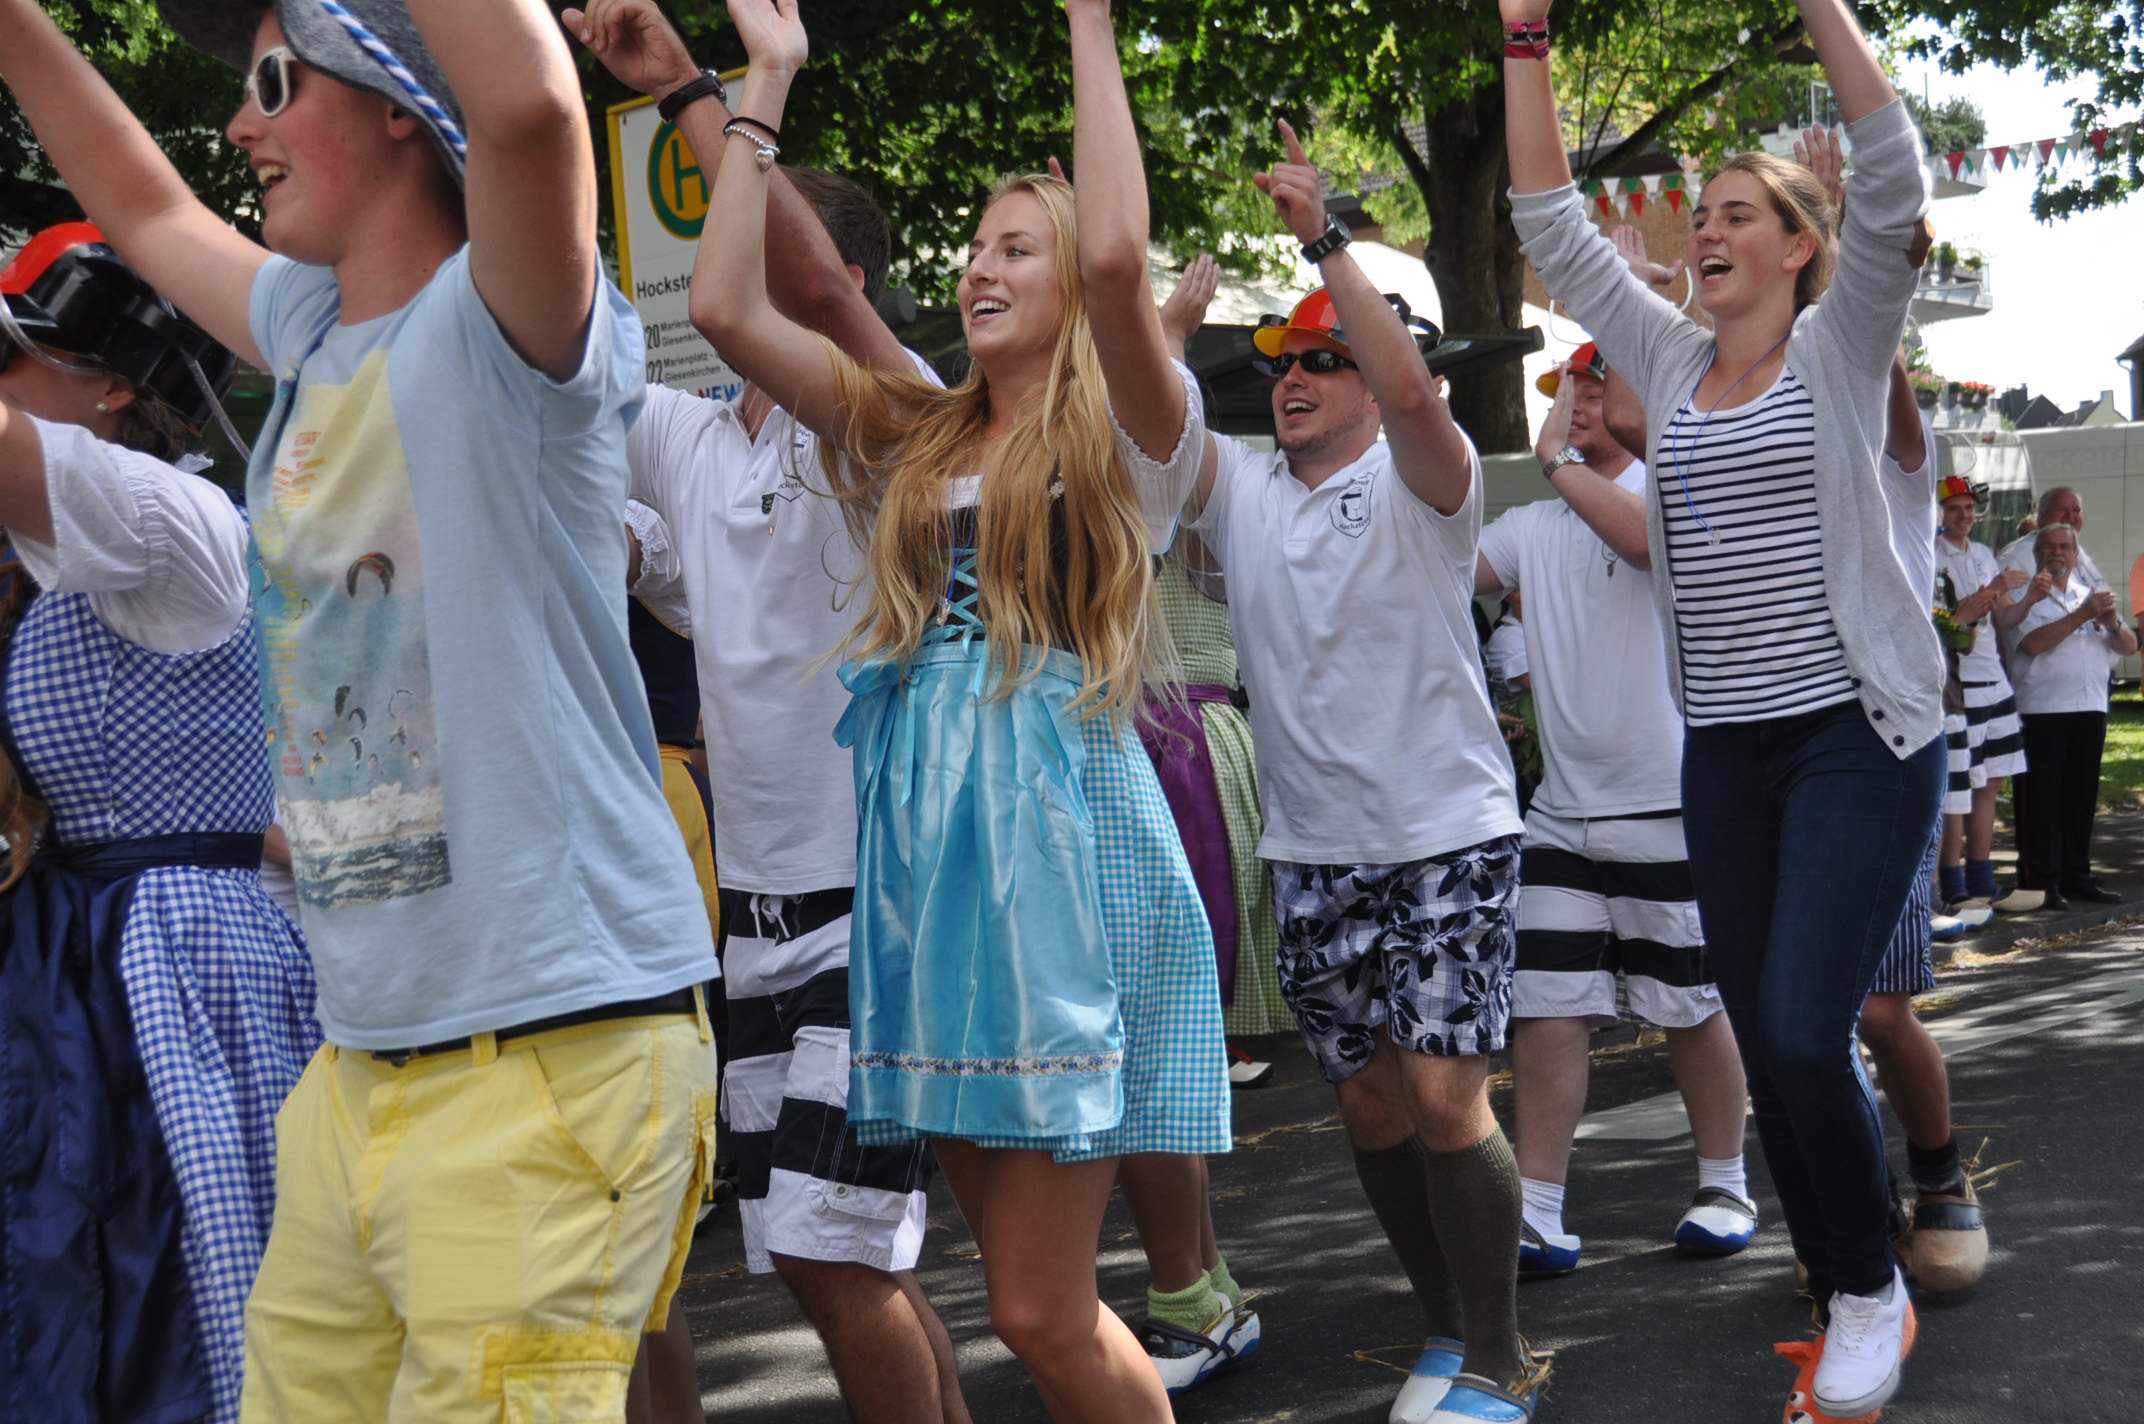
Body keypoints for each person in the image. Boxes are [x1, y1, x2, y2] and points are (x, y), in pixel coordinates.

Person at [0, 2, 726, 1417]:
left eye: (277, 80)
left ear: (400, 98)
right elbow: (145, 208)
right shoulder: (311, 330)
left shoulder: (510, 328)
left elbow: (530, 108)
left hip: (549, 1052)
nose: (240, 125)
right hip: (360, 1064)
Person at [693, 1, 1231, 1418]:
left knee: (1040, 1311)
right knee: (1030, 1305)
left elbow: (1116, 257)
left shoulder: (1125, 432)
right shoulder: (918, 434)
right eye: (975, 248)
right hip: (929, 881)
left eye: (1014, 248)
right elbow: (726, 310)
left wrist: (1089, 26)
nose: (979, 267)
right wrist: (764, 82)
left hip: (1055, 864)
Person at [1504, 0, 1944, 1413]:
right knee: (1764, 1036)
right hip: (1729, 753)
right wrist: (1523, 41)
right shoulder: (1666, 361)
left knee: (1808, 1028)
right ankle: (1843, 1279)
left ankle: (1868, 1289)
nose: (1705, 229)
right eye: (1699, 215)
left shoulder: (1839, 344)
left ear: (1799, 247)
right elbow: (1547, 216)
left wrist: (1820, 11)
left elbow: (1895, 172)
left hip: (1856, 738)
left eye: (1738, 213)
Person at [574, 6, 975, 1414]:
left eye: (743, 225)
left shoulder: (896, 411)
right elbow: (559, 344)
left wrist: (729, 84)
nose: (714, 262)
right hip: (753, 912)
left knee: (829, 1253)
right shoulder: (689, 433)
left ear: (831, 276)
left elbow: (767, 286)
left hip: (879, 901)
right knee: (836, 1260)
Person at [1182, 119, 1540, 1423]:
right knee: (1373, 1107)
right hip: (1312, 850)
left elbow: (1420, 399)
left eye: (1325, 359)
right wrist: (1135, 302)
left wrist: (1325, 240)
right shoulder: (1239, 490)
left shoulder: (1422, 474)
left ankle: (1501, 1357)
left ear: (1378, 377)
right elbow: (1143, 407)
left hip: (1445, 834)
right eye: (1282, 361)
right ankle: (1445, 1331)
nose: (1294, 376)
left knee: (1445, 1098)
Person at [0, 224, 319, 1424]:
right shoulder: (41, 556)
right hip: (71, 961)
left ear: (115, 390)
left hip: (173, 958)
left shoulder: (173, 520)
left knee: (177, 1298)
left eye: (10, 356)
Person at [1475, 344, 1755, 1280]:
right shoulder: (1532, 524)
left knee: (1690, 1006)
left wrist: (1555, 461)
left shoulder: (1674, 491)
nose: (1578, 401)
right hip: (1561, 814)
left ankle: (1725, 1184)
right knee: (1548, 1009)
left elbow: (1641, 543)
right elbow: (1440, 569)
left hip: (1670, 803)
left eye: (1597, 384)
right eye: (1566, 388)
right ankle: (1538, 1210)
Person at [2007, 524, 2136, 908]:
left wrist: (2112, 622)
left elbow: (2128, 646)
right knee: (2041, 800)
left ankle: (2077, 876)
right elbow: (2032, 644)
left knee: (2081, 796)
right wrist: (2082, 616)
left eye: (2064, 547)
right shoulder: (2027, 597)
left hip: (2089, 706)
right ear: (2037, 554)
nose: (2057, 553)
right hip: (2043, 708)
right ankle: (2040, 881)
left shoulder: (2090, 595)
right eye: (2048, 547)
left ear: (2076, 555)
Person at [1931, 476, 2028, 909]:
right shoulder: (1933, 556)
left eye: (1969, 508)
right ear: (1939, 513)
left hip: (1995, 681)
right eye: (1954, 509)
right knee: (1958, 788)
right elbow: (1950, 623)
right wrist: (1993, 589)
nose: (1964, 516)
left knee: (1990, 782)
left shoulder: (1984, 554)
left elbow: (2003, 619)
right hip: (1961, 686)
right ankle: (1952, 883)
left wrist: (2028, 597)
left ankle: (1982, 878)